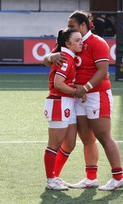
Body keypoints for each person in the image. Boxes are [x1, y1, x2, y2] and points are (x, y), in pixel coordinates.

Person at [45, 10, 123, 191]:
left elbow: (102, 71)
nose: (69, 28)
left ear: (83, 25)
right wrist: (52, 57)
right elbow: (46, 59)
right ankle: (91, 177)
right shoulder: (69, 41)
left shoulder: (97, 43)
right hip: (78, 96)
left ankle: (118, 176)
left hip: (96, 95)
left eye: (72, 25)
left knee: (103, 136)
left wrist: (84, 89)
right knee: (87, 138)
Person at [43, 28, 83, 191]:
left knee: (70, 143)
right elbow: (59, 84)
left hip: (68, 102)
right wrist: (76, 91)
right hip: (59, 102)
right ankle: (50, 179)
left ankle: (55, 176)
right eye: (77, 40)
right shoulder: (65, 58)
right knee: (54, 144)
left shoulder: (68, 57)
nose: (81, 43)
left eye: (81, 39)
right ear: (67, 43)